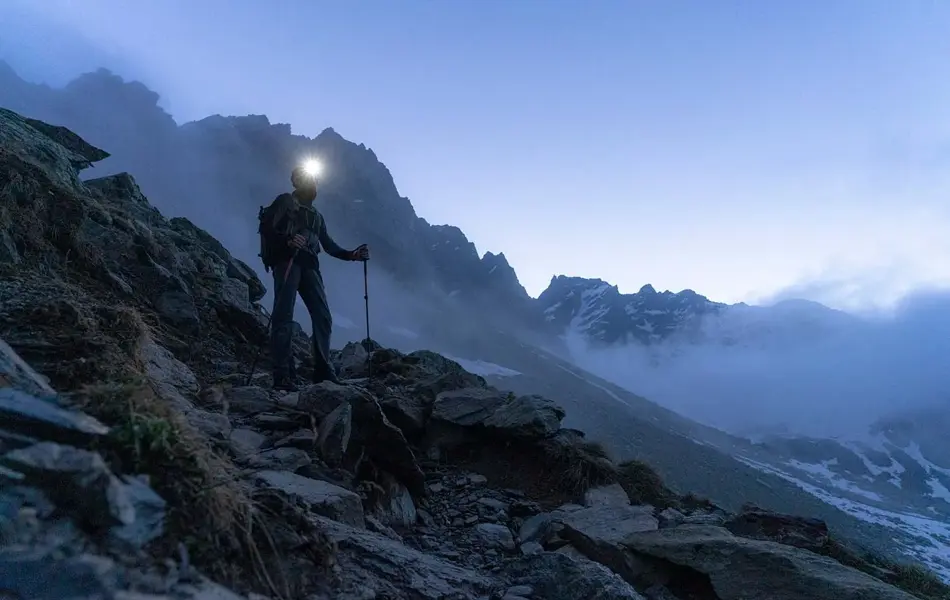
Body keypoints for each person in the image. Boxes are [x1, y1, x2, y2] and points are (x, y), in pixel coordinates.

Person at [263, 166, 369, 391]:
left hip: (309, 264)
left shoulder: (316, 216)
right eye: (306, 179)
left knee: (323, 317)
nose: (312, 184)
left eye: (314, 180)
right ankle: (282, 375)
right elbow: (267, 227)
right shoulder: (284, 202)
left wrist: (352, 255)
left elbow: (328, 245)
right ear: (296, 182)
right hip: (287, 261)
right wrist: (288, 241)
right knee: (284, 317)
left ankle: (322, 371)